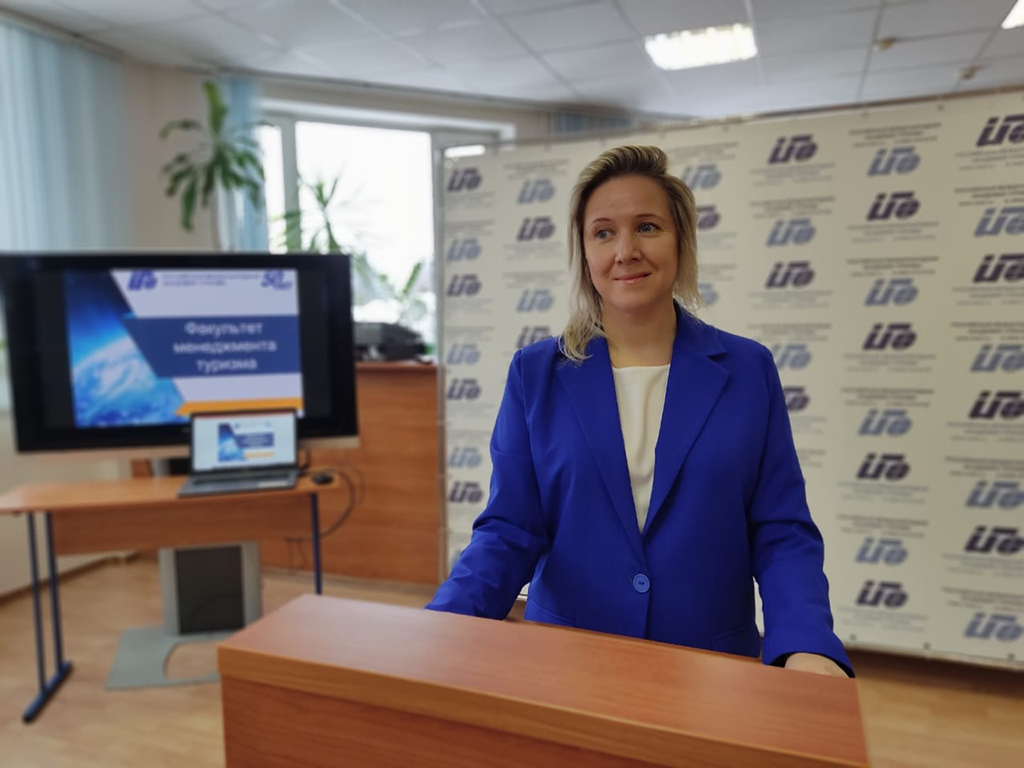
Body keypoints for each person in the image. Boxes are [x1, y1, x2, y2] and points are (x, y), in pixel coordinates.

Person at [427, 145, 851, 678]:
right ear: (585, 253)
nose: (625, 251)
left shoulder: (748, 370)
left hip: (711, 671)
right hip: (567, 663)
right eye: (603, 233)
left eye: (647, 227)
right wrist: (444, 626)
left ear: (681, 241)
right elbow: (510, 529)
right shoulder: (535, 374)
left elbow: (781, 530)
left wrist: (806, 644)